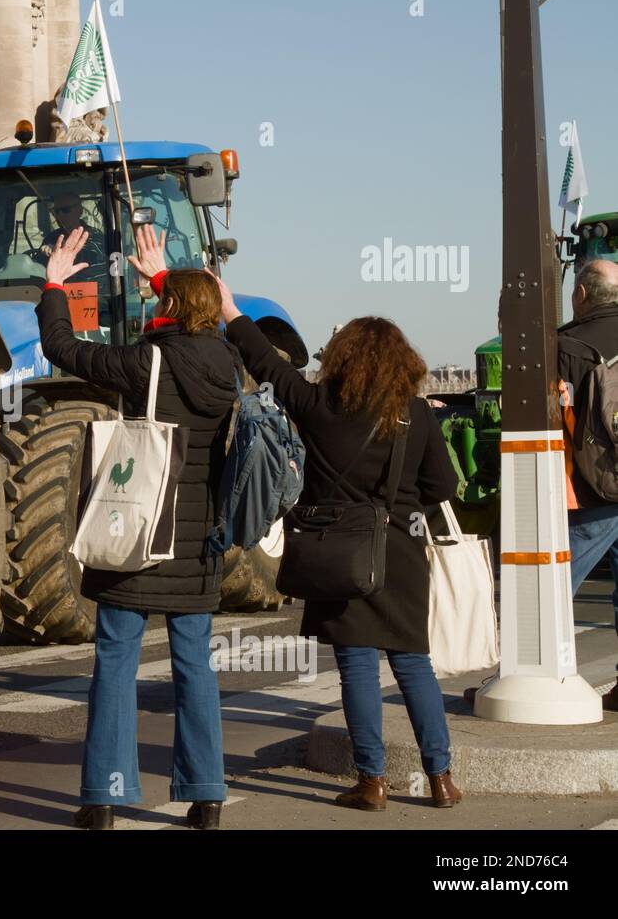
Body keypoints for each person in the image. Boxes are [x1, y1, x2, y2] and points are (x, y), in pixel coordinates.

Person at [209, 249, 462, 812]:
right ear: (404, 362)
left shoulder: (318, 404)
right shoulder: (416, 416)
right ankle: (441, 778)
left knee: (357, 668)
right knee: (414, 665)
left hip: (341, 553)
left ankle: (372, 782)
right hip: (398, 554)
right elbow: (442, 487)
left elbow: (268, 365)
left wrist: (229, 308)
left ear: (343, 358)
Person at [39, 226, 239, 830]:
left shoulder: (145, 361)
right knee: (195, 668)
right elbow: (198, 322)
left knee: (116, 660)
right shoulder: (228, 364)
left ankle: (102, 798)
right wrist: (166, 278)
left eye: (159, 300)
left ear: (168, 309)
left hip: (137, 534)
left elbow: (64, 350)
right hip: (197, 543)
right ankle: (206, 798)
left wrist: (56, 282)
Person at [558, 258, 618, 712]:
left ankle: (533, 676)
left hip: (595, 490)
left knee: (554, 583)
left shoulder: (568, 345)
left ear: (581, 295)